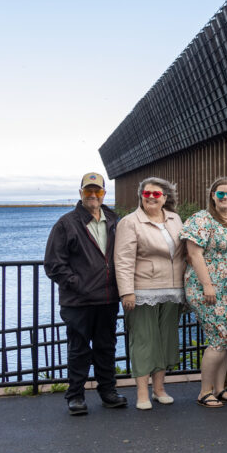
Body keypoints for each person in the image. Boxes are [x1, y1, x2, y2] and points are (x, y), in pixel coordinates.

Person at [44, 172, 127, 415]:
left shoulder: (114, 220)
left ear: (104, 194)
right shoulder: (66, 223)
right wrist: (77, 284)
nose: (93, 195)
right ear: (80, 193)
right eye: (88, 191)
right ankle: (76, 396)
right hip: (78, 300)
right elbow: (53, 264)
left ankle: (108, 392)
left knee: (106, 347)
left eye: (97, 191)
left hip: (108, 298)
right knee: (78, 349)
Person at [182, 178, 227, 409]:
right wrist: (207, 285)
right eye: (220, 194)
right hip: (209, 289)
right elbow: (194, 255)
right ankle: (204, 391)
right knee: (218, 338)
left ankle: (220, 389)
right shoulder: (200, 220)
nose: (225, 198)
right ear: (212, 195)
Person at [114, 177, 186, 410]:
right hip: (143, 290)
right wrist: (126, 292)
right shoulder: (130, 222)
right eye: (147, 194)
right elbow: (123, 259)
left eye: (157, 194)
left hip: (173, 290)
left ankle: (159, 389)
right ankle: (142, 393)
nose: (152, 198)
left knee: (165, 341)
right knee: (144, 341)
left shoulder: (175, 219)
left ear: (165, 197)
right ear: (141, 196)